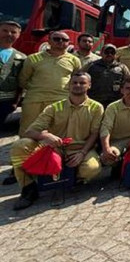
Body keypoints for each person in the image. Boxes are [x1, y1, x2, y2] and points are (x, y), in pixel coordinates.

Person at [10, 72, 104, 210]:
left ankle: (70, 177)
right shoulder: (54, 107)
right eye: (74, 82)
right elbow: (30, 131)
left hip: (80, 149)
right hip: (55, 149)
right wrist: (46, 136)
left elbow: (94, 133)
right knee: (20, 146)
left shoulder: (96, 107)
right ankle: (28, 188)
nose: (78, 85)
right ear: (68, 85)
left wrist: (83, 153)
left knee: (92, 169)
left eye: (82, 83)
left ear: (89, 85)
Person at [18, 30, 81, 136]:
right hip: (35, 100)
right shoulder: (33, 58)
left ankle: (52, 153)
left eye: (64, 40)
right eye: (56, 39)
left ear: (69, 43)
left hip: (60, 100)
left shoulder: (74, 60)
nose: (60, 41)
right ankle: (25, 152)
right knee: (28, 130)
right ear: (49, 41)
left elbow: (76, 80)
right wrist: (36, 89)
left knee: (57, 132)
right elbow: (23, 80)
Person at [84, 44, 130, 108]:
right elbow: (81, 78)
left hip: (115, 101)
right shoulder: (91, 65)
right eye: (107, 52)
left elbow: (128, 82)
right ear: (101, 53)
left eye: (112, 52)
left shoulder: (122, 67)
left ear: (115, 54)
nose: (109, 54)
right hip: (95, 99)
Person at [0, 20, 25, 129]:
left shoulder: (22, 58)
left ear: (18, 35)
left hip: (5, 102)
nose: (9, 34)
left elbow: (21, 82)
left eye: (13, 32)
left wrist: (16, 101)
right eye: (5, 30)